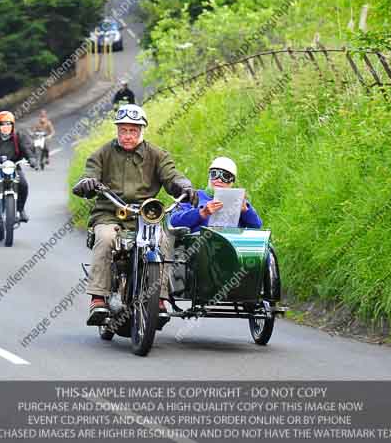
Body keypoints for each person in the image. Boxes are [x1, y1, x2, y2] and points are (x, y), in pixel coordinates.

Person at [72, 104, 196, 326]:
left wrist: (184, 186)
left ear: (141, 131)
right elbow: (88, 175)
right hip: (109, 214)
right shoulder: (102, 153)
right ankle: (98, 298)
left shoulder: (157, 154)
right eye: (123, 130)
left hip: (146, 216)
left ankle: (159, 299)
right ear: (117, 131)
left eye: (133, 130)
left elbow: (172, 176)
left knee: (164, 240)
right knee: (107, 238)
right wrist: (87, 183)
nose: (127, 135)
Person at [0, 111, 38, 224]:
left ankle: (20, 209)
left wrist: (32, 159)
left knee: (23, 184)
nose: (6, 127)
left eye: (8, 124)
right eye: (2, 124)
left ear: (13, 125)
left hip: (12, 167)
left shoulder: (19, 136)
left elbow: (27, 148)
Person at [170, 157, 262, 233]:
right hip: (200, 248)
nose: (219, 180)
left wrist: (246, 211)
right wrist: (201, 213)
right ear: (209, 176)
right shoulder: (193, 196)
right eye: (214, 174)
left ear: (232, 181)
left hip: (232, 247)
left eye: (225, 176)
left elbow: (256, 227)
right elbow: (173, 221)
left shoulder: (237, 200)